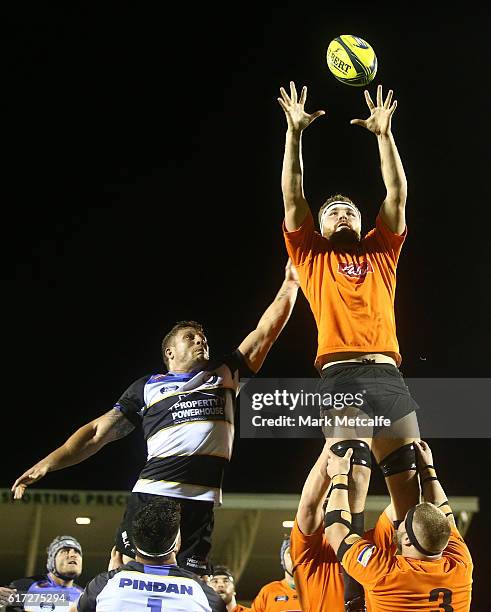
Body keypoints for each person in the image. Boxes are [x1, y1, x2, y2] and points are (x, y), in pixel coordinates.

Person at [11, 261, 300, 577]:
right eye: (190, 337)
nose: (201, 340)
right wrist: (48, 463)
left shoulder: (225, 375)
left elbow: (265, 333)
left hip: (200, 504)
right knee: (127, 575)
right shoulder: (147, 387)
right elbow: (96, 433)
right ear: (170, 353)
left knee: (193, 587)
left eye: (203, 336)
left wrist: (291, 283)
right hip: (153, 495)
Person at [278, 81, 421, 610]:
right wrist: (293, 135)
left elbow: (398, 194)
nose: (341, 212)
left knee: (412, 493)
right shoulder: (311, 257)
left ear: (362, 222)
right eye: (332, 209)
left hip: (390, 374)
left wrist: (385, 138)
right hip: (340, 374)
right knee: (352, 469)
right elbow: (293, 194)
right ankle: (355, 599)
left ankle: (412, 595)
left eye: (349, 210)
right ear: (318, 225)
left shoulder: (382, 252)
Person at [324, 440, 473, 611]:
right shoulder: (459, 562)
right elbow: (442, 510)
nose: (400, 518)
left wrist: (339, 475)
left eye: (405, 522)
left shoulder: (388, 574)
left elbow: (336, 531)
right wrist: (427, 470)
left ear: (408, 540)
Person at [75, 497, 225, 611]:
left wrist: (113, 577)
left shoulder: (102, 585)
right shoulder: (205, 596)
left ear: (134, 541)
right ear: (177, 544)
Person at [289, 440, 345, 612]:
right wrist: (333, 441)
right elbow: (309, 507)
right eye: (326, 502)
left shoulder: (369, 542)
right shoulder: (310, 551)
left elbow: (409, 520)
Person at [0, 535, 83, 611]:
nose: (73, 555)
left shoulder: (84, 596)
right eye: (65, 551)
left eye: (77, 552)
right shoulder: (25, 587)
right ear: (52, 561)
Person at [250, 538, 301, 612]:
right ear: (282, 560)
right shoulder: (268, 592)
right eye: (290, 552)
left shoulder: (320, 590)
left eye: (300, 552)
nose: (295, 556)